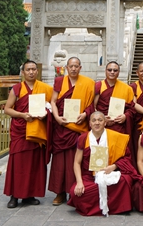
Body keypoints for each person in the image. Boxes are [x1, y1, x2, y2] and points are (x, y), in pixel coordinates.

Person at [3, 61, 53, 208]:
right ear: (23, 72)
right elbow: (7, 109)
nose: (31, 72)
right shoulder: (17, 89)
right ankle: (14, 196)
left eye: (33, 69)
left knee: (34, 164)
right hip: (21, 130)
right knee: (18, 164)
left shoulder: (45, 88)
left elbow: (52, 106)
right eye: (28, 70)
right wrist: (22, 115)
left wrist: (46, 114)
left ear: (37, 71)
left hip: (37, 131)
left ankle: (30, 195)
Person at [68, 111, 136, 216]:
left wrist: (113, 167)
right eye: (94, 120)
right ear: (90, 123)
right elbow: (77, 162)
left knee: (125, 180)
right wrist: (79, 182)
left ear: (105, 123)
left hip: (109, 174)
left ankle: (112, 207)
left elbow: (126, 159)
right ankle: (112, 205)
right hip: (89, 177)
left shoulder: (115, 136)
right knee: (75, 193)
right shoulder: (83, 138)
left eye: (100, 120)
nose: (97, 123)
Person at [49, 57, 95, 206]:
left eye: (76, 66)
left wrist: (85, 114)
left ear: (80, 68)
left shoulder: (88, 83)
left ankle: (74, 190)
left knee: (76, 160)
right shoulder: (59, 81)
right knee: (59, 162)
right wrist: (57, 117)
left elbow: (92, 105)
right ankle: (59, 192)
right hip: (61, 127)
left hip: (78, 128)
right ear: (66, 68)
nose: (73, 69)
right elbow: (53, 101)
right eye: (71, 66)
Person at [88, 61, 135, 135]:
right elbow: (91, 106)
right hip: (100, 124)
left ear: (119, 72)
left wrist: (125, 116)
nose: (112, 72)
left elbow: (131, 108)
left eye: (115, 70)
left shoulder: (127, 88)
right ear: (105, 71)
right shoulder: (97, 86)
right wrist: (102, 118)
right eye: (109, 70)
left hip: (118, 125)